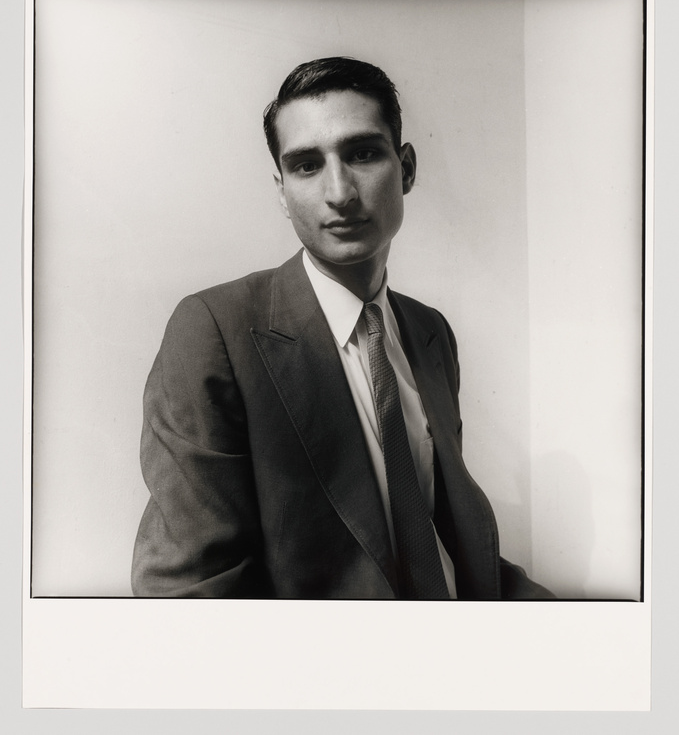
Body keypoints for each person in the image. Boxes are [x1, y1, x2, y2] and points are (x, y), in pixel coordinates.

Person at [131, 56, 554, 600]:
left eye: (362, 153)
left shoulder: (430, 332)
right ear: (281, 191)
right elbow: (189, 591)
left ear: (405, 168)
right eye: (307, 165)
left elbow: (441, 534)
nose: (340, 192)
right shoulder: (216, 330)